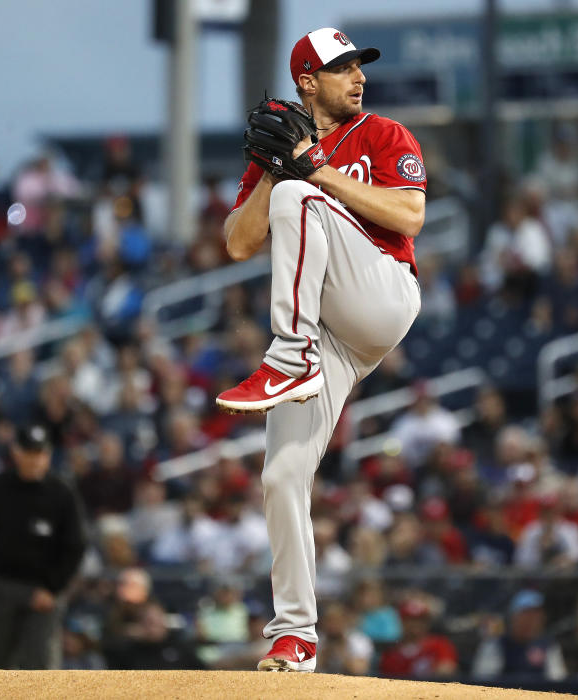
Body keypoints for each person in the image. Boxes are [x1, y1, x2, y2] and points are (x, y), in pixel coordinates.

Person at [213, 28, 424, 672]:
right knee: (280, 478)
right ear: (307, 80)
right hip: (330, 330)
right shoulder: (286, 149)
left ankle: (289, 353)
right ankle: (295, 637)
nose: (358, 77)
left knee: (300, 194)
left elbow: (409, 218)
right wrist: (278, 171)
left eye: (360, 66)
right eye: (342, 69)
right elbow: (235, 242)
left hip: (381, 290)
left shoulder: (385, 134)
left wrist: (314, 172)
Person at [0, 424, 86, 669]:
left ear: (48, 455)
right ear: (16, 452)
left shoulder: (61, 493)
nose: (35, 460)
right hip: (3, 584)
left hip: (43, 590)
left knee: (40, 663)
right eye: (29, 453)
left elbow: (75, 545)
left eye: (40, 453)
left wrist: (52, 587)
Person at [471, 589, 567, 680]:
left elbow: (558, 682)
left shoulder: (549, 645)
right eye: (526, 614)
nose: (532, 621)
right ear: (514, 617)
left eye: (537, 615)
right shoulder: (495, 645)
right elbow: (483, 683)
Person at [379, 598, 458, 679]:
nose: (416, 624)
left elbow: (447, 670)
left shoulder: (439, 645)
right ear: (402, 622)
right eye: (410, 620)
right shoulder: (392, 652)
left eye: (420, 620)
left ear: (427, 622)